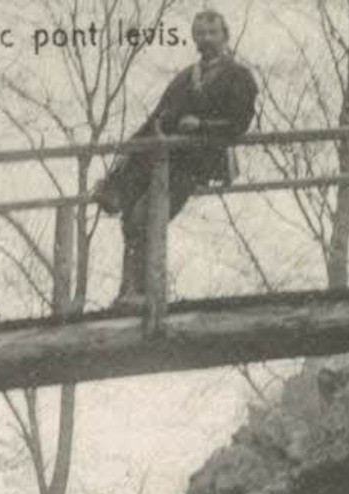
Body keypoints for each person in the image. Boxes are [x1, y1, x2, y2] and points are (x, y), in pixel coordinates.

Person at [94, 9, 258, 311]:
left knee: (147, 215)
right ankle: (130, 291)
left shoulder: (238, 76)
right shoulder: (185, 77)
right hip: (171, 157)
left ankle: (147, 295)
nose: (206, 39)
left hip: (202, 159)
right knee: (130, 214)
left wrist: (202, 125)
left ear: (225, 36)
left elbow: (239, 123)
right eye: (201, 33)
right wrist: (126, 152)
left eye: (213, 33)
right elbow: (157, 116)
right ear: (194, 38)